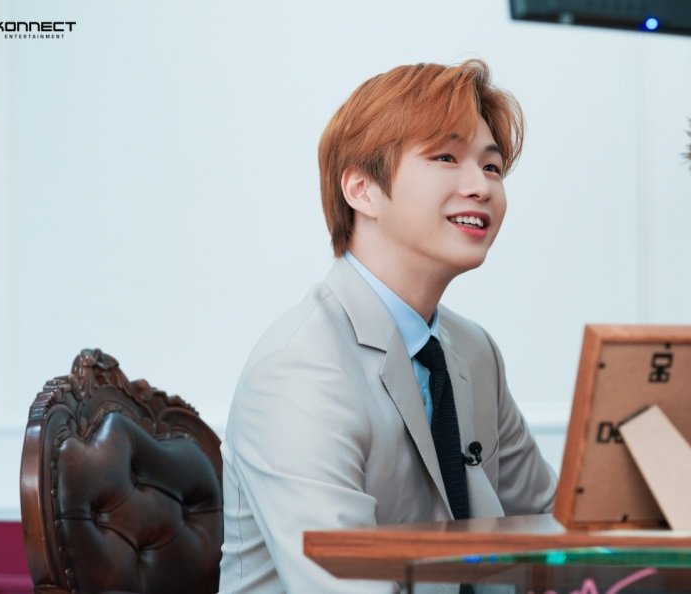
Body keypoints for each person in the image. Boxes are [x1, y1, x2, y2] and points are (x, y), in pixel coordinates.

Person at [218, 59, 557, 594]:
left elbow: (550, 524)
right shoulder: (300, 369)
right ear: (362, 189)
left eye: (492, 167)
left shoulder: (474, 351)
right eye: (446, 157)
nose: (481, 187)